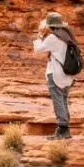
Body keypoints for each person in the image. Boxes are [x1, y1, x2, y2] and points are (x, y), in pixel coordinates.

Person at [33, 11, 76, 139]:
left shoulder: (53, 38)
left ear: (50, 26)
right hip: (67, 75)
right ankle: (65, 130)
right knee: (63, 100)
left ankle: (62, 130)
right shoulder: (67, 36)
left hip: (55, 74)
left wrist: (40, 35)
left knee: (58, 101)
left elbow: (38, 50)